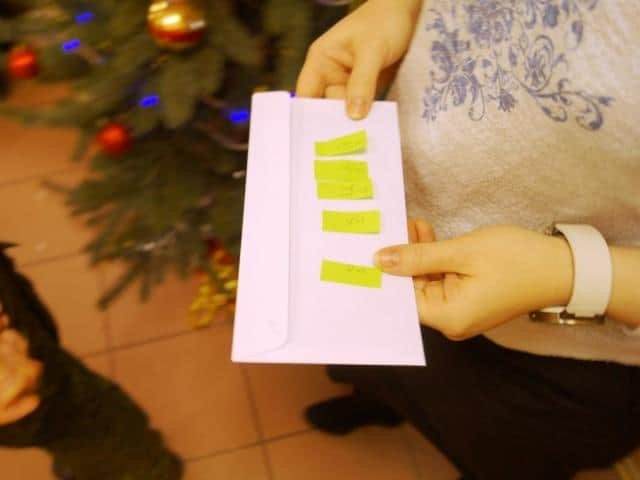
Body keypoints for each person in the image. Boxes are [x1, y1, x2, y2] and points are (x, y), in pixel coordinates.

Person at [296, 1, 640, 478]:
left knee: (496, 453)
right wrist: (401, 7)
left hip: (567, 344)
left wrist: (571, 273)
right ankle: (380, 403)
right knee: (379, 363)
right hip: (401, 216)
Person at [0, 244, 183, 479]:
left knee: (84, 422)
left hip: (34, 359)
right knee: (104, 431)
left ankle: (80, 463)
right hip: (29, 388)